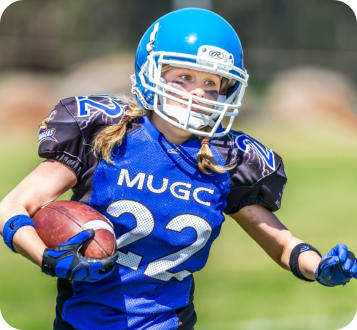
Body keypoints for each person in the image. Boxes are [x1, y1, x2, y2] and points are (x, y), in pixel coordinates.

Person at [0, 7, 356, 330]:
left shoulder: (227, 160)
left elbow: (282, 245)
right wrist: (47, 258)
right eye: (184, 76)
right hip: (84, 321)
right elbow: (13, 208)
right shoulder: (107, 135)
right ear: (151, 71)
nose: (198, 92)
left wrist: (320, 266)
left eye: (211, 83)